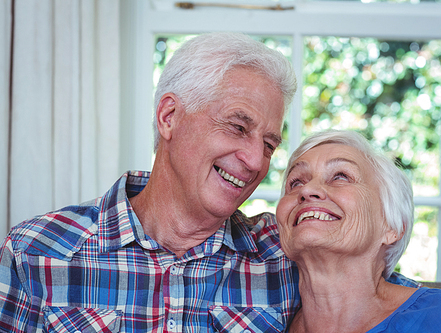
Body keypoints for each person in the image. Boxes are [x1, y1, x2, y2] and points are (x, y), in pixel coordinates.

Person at [0, 32, 301, 332]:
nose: (255, 161)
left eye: (269, 146)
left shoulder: (287, 256)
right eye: (237, 127)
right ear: (169, 117)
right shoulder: (33, 251)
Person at [276, 129, 441, 332]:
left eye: (340, 176)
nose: (307, 190)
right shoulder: (264, 322)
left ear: (391, 226)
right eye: (295, 182)